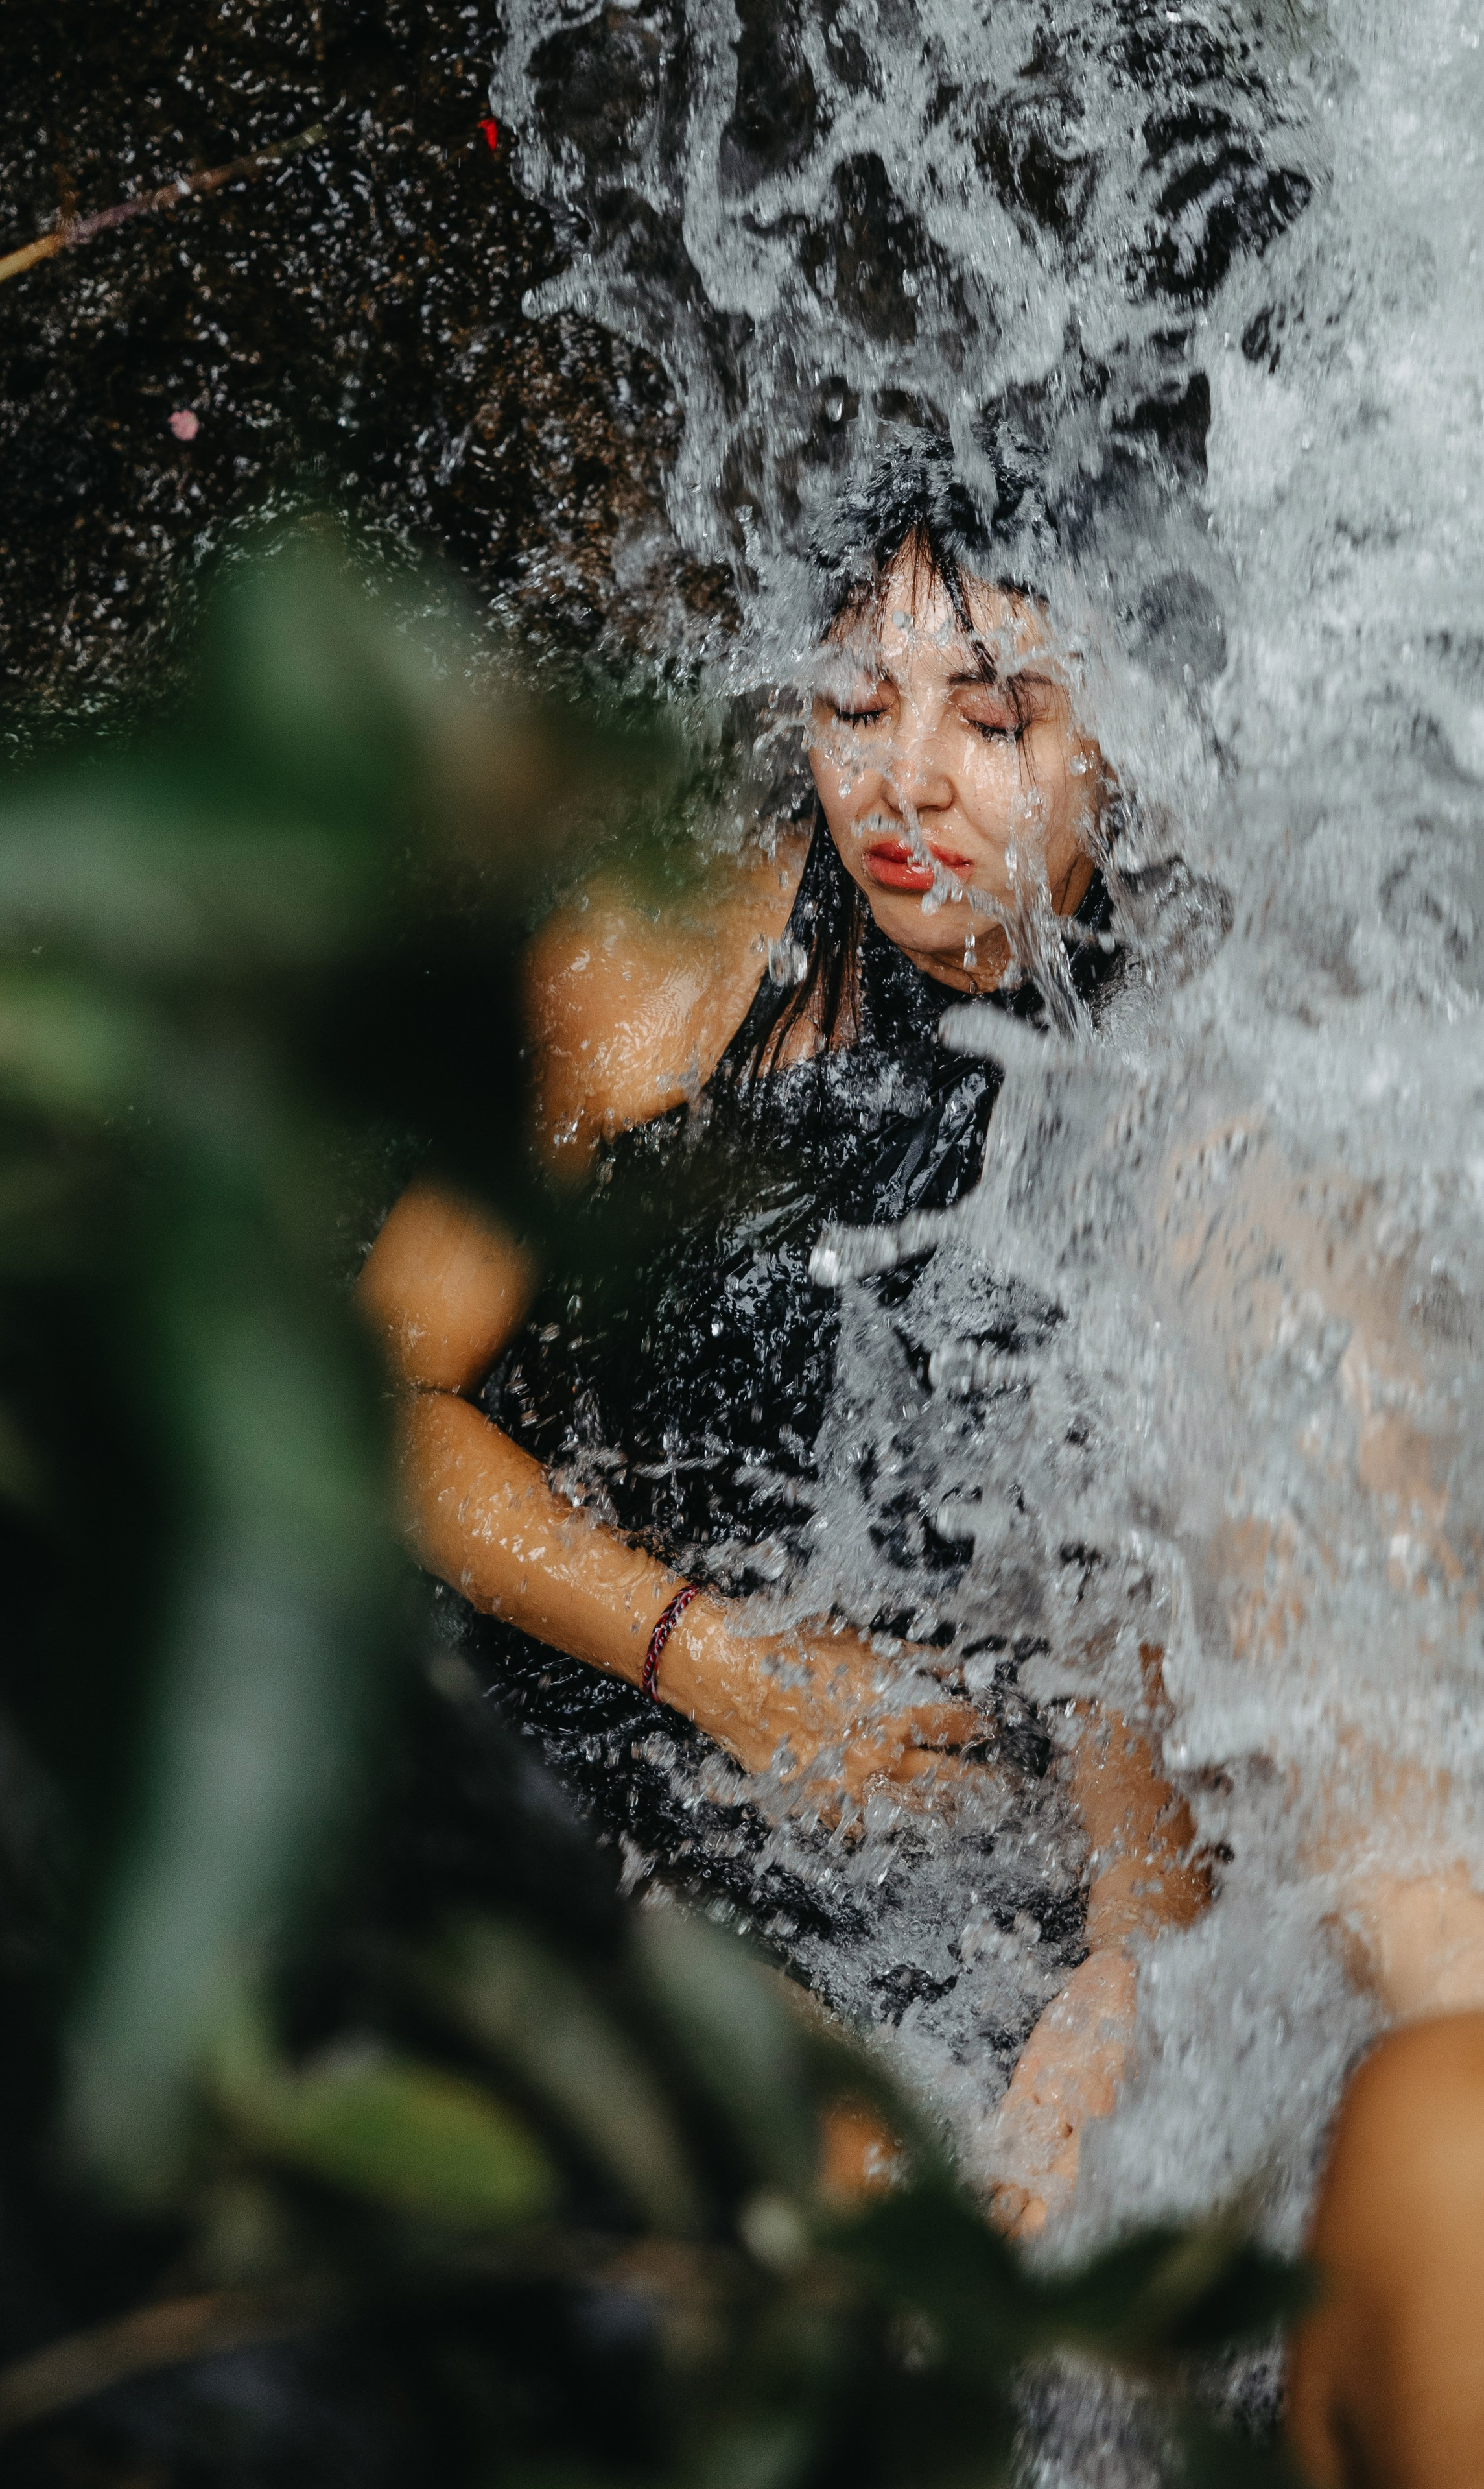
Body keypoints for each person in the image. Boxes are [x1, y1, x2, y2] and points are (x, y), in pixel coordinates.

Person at [360, 443, 1210, 2230]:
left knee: (984, 2220)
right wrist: (711, 1661)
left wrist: (1123, 1973)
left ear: (1127, 743)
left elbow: (1134, 1597)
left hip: (931, 1842)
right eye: (857, 704)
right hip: (595, 1706)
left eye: (993, 719)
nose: (903, 783)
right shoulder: (667, 955)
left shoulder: (1194, 1085)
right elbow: (374, 1402)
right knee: (807, 2176)